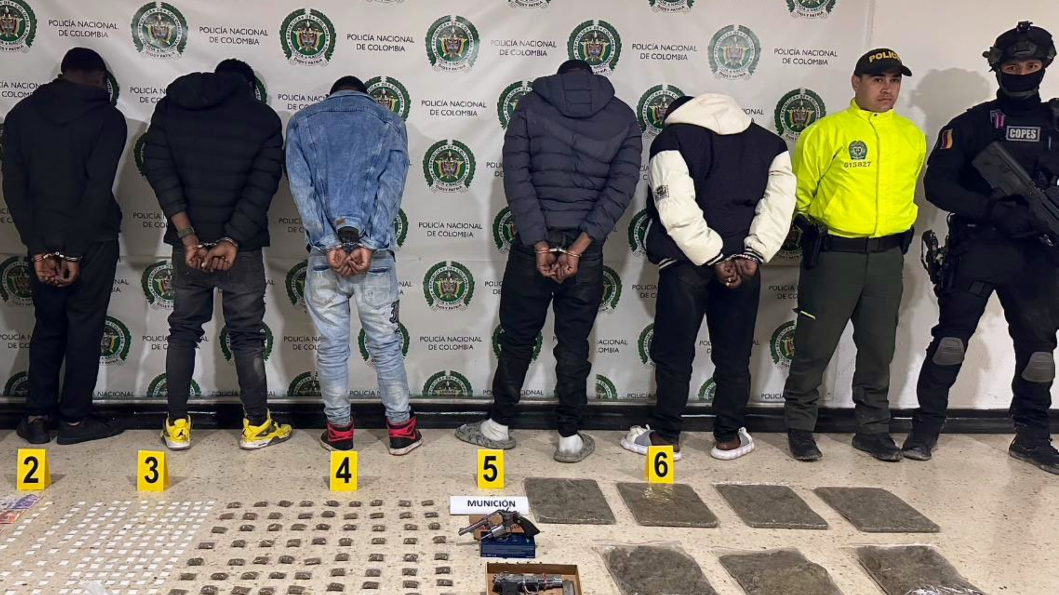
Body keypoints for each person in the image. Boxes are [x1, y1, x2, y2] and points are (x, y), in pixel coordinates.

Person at [455, 59, 642, 463]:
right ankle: (569, 437)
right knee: (574, 343)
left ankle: (499, 426)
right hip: (585, 250)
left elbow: (517, 177)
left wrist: (539, 242)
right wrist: (578, 247)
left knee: (517, 337)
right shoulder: (623, 116)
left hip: (533, 245)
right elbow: (620, 189)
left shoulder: (529, 106)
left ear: (559, 79)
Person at [903, 22, 1059, 474]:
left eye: (1032, 65)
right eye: (1014, 66)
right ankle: (925, 430)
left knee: (1039, 354)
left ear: (1045, 66)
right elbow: (938, 185)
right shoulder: (971, 125)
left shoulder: (1055, 124)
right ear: (998, 68)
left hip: (1037, 253)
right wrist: (992, 210)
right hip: (980, 247)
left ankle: (1032, 437)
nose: (1023, 73)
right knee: (951, 343)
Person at [621, 93, 796, 461]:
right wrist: (754, 253)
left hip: (685, 263)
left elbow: (675, 205)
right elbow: (779, 207)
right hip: (744, 263)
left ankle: (665, 437)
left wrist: (711, 256)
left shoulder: (672, 139)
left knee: (674, 353)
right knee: (734, 355)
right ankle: (728, 437)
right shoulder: (771, 144)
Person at [783, 48, 927, 463]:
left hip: (887, 257)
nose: (888, 89)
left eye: (895, 80)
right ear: (856, 82)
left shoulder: (911, 136)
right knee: (814, 345)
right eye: (878, 79)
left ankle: (872, 430)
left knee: (879, 348)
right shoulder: (825, 132)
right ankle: (800, 427)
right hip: (835, 256)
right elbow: (799, 195)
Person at [144, 59, 288, 451]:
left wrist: (188, 236)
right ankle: (256, 426)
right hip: (241, 249)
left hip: (187, 247)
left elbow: (159, 171)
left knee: (182, 331)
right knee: (246, 336)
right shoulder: (262, 119)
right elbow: (262, 186)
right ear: (248, 86)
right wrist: (232, 239)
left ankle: (176, 425)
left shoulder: (170, 108)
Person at [286, 76, 420, 455]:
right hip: (374, 258)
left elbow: (301, 189)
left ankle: (340, 433)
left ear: (332, 94)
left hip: (322, 258)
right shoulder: (389, 121)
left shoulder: (302, 122)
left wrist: (328, 243)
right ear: (366, 94)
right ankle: (400, 431)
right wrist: (370, 243)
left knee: (331, 348)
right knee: (386, 346)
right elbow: (390, 189)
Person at [2, 47, 127, 446]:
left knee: (48, 327)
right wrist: (74, 251)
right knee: (85, 329)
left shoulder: (21, 114)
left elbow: (14, 189)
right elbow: (97, 188)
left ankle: (37, 417)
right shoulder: (108, 118)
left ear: (62, 72)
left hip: (41, 239)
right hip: (93, 240)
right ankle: (74, 421)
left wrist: (39, 249)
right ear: (100, 78)